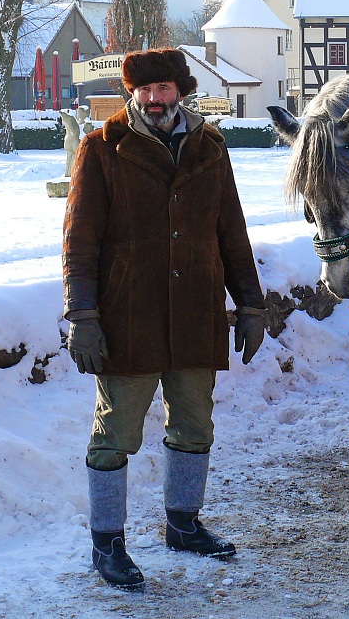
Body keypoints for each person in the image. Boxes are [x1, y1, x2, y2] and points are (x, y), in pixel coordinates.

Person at [63, 48, 266, 590]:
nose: (155, 99)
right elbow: (79, 241)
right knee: (115, 435)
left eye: (165, 89)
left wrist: (249, 303)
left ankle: (183, 524)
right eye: (145, 90)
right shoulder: (102, 149)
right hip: (130, 315)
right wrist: (82, 314)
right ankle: (107, 543)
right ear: (133, 92)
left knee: (195, 425)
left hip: (197, 313)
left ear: (182, 90)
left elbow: (232, 230)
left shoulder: (210, 147)